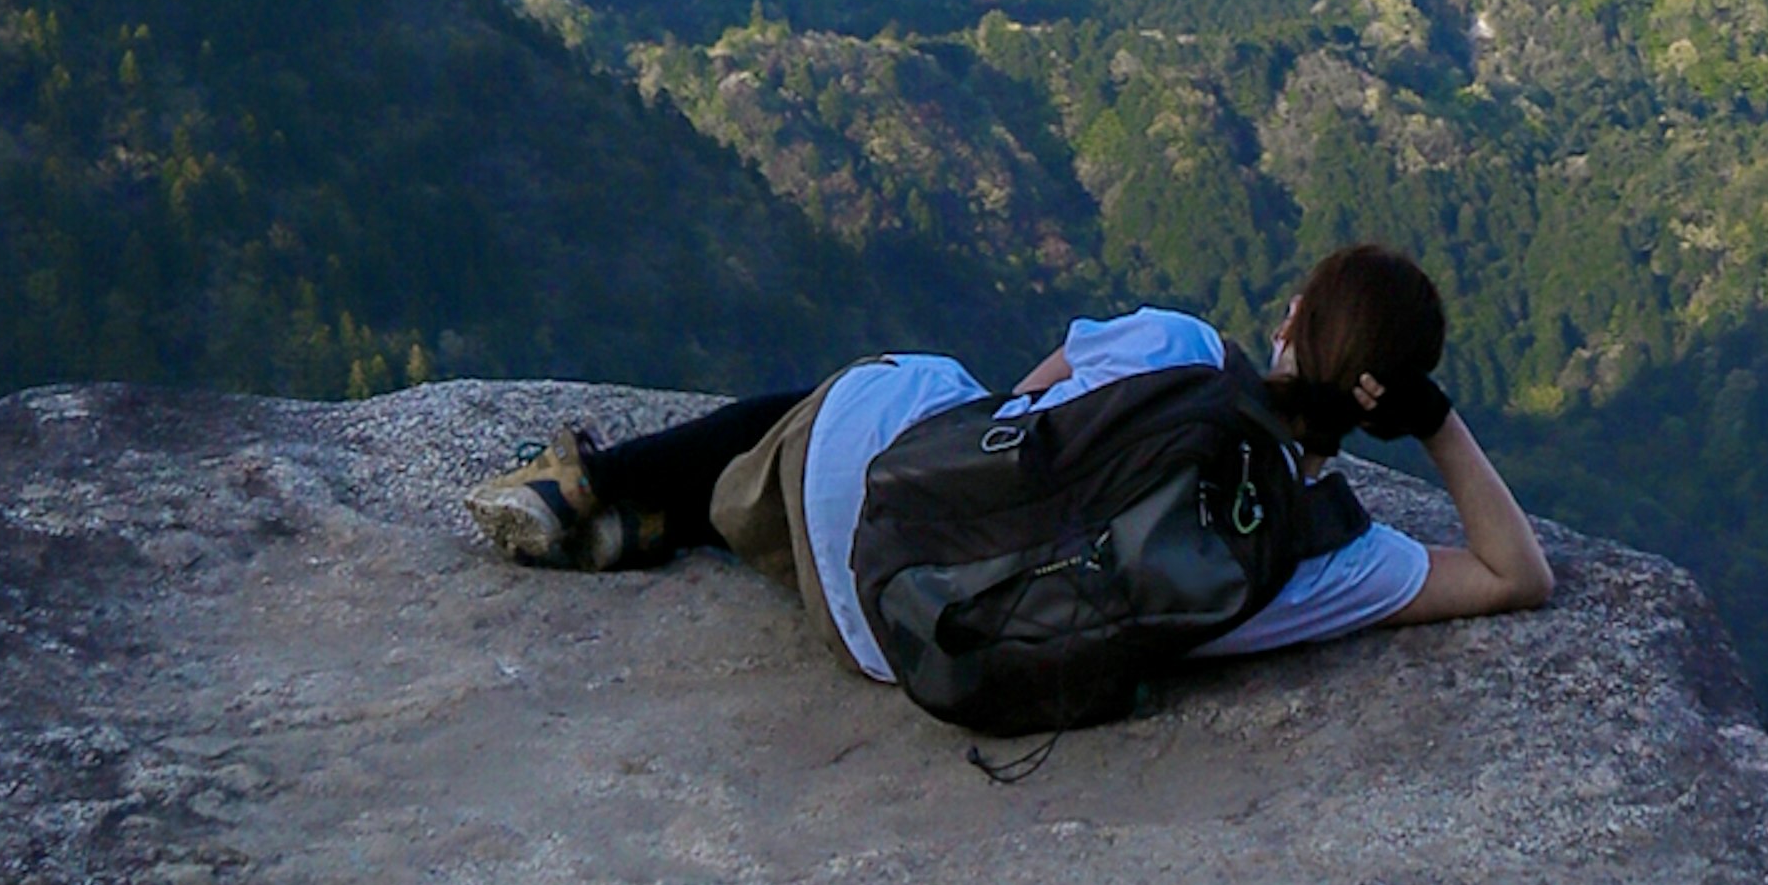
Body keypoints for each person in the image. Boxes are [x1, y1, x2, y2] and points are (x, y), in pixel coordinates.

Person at [462, 243, 1554, 681]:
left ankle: (608, 489)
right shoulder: (1333, 562)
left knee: (908, 385)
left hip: (885, 517)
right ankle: (655, 514)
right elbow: (1517, 574)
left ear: (1292, 318)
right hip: (924, 653)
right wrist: (1437, 424)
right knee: (868, 435)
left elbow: (1011, 413)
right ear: (1383, 402)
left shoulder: (1181, 347)